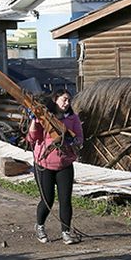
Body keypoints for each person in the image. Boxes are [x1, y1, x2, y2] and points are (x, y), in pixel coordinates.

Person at [28, 89, 84, 245]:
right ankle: (40, 226)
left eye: (68, 100)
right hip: (44, 164)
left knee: (65, 200)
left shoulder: (72, 118)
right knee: (47, 199)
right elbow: (33, 138)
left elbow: (80, 138)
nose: (66, 103)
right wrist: (34, 120)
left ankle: (66, 232)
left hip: (64, 164)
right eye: (64, 100)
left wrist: (73, 142)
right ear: (55, 99)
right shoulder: (45, 118)